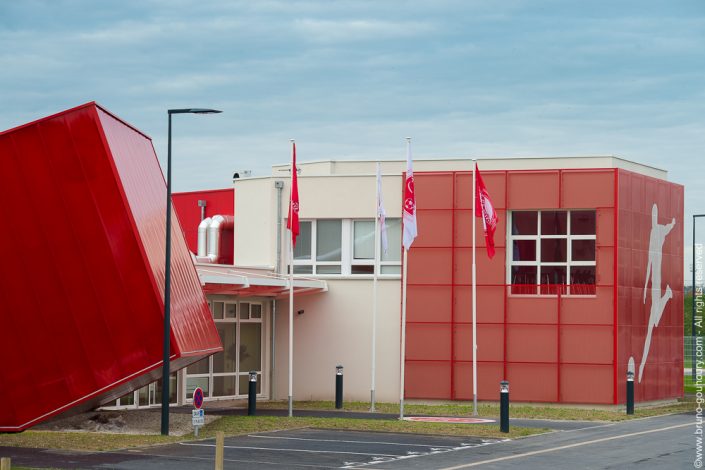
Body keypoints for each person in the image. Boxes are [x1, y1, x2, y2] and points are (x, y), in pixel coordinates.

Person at [639, 203, 676, 382]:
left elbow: (669, 228)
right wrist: (644, 287)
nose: (653, 216)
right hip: (654, 278)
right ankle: (667, 296)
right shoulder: (656, 231)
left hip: (657, 279)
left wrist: (673, 223)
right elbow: (647, 263)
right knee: (654, 321)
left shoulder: (659, 230)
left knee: (653, 322)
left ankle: (667, 296)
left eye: (655, 213)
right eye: (653, 213)